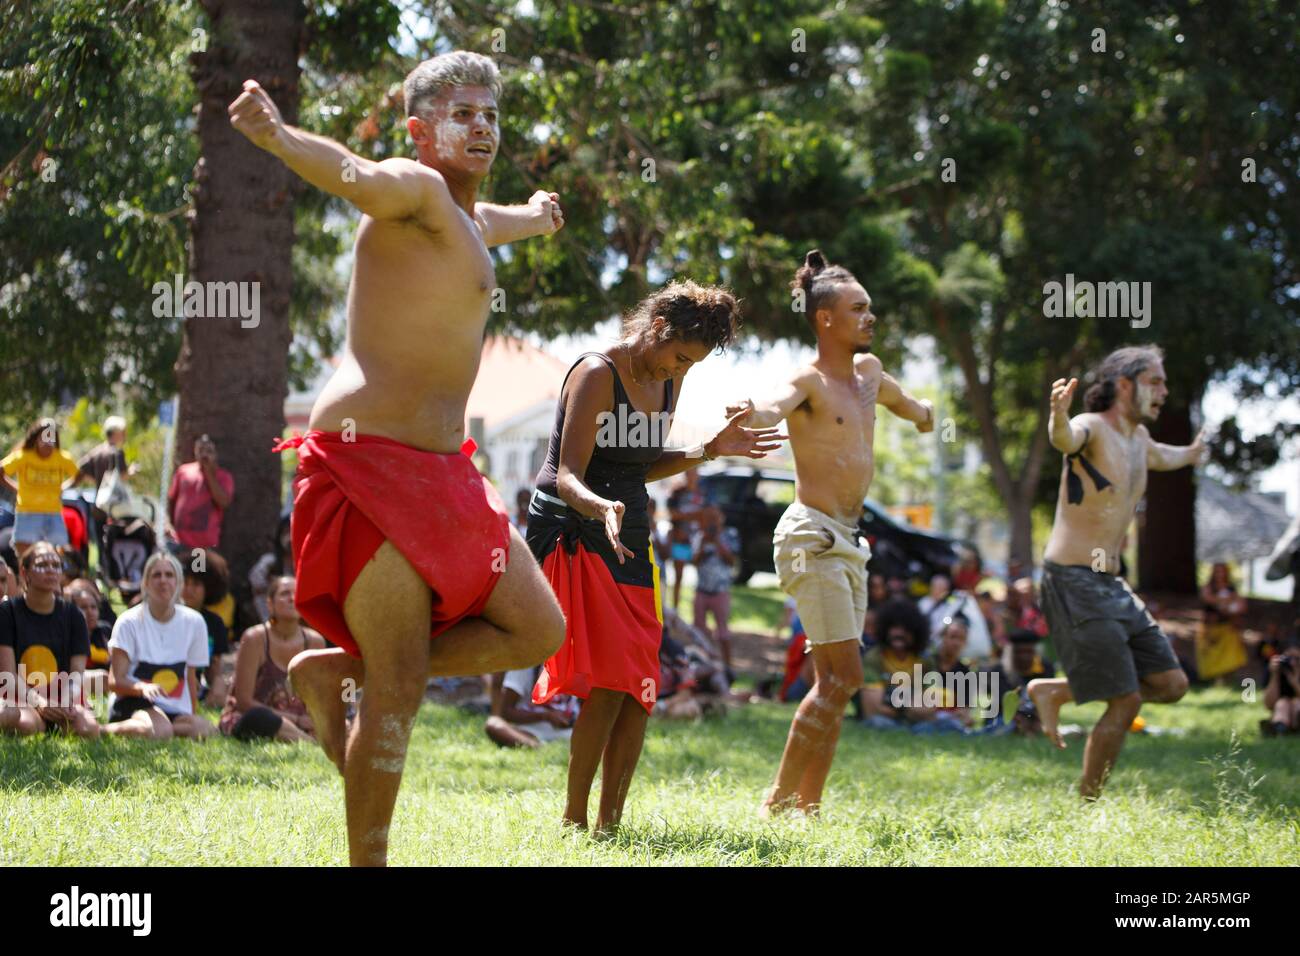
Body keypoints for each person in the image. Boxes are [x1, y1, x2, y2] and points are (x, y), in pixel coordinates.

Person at [230, 50, 569, 865]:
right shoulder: (412, 190)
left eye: (491, 114)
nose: (481, 125)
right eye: (462, 114)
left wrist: (541, 213)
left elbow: (505, 221)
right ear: (421, 131)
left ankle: (335, 670)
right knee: (398, 692)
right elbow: (352, 171)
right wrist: (279, 138)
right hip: (370, 461)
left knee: (538, 628)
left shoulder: (468, 221)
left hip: (448, 470)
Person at [526, 281, 780, 833]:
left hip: (629, 523)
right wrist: (602, 508)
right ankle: (575, 821)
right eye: (681, 356)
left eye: (693, 364)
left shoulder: (671, 378)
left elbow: (640, 464)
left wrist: (709, 449)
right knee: (612, 674)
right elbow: (565, 474)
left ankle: (609, 824)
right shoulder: (597, 372)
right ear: (659, 329)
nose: (681, 370)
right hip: (574, 523)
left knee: (640, 681)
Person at [730, 250, 933, 815]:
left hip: (850, 542)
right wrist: (752, 411)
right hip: (810, 535)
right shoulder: (808, 381)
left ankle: (808, 807)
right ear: (825, 319)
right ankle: (776, 802)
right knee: (843, 675)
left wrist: (925, 414)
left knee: (836, 682)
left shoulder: (869, 374)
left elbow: (906, 403)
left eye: (870, 308)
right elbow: (774, 406)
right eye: (858, 309)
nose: (871, 317)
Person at [1028, 346, 1200, 799]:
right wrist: (1058, 415)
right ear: (1125, 385)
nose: (1164, 391)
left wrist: (1196, 450)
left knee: (1172, 684)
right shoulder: (1093, 429)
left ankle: (1058, 692)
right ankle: (1088, 803)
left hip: (1111, 582)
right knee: (1126, 699)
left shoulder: (1138, 440)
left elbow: (1168, 456)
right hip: (1072, 577)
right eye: (1155, 382)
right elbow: (1066, 438)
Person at [104, 551, 215, 739]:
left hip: (174, 707)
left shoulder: (195, 622)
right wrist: (141, 688)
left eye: (169, 575)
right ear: (146, 583)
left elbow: (190, 676)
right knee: (160, 731)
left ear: (179, 583)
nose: (163, 580)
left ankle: (162, 728)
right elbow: (115, 682)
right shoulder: (128, 621)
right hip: (134, 700)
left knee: (206, 730)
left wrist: (192, 713)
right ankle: (102, 731)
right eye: (156, 575)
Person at [0, 543, 99, 737]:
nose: (51, 570)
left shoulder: (73, 616)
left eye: (56, 565)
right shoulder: (7, 613)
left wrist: (66, 700)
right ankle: (41, 724)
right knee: (26, 725)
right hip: (21, 697)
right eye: (42, 564)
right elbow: (8, 676)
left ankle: (53, 724)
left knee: (88, 729)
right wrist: (39, 703)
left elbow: (77, 674)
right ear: (24, 571)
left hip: (60, 698)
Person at [220, 575, 325, 742]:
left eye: (297, 594)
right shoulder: (254, 638)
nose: (292, 598)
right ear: (269, 603)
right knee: (260, 718)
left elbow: (319, 696)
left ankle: (302, 736)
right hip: (256, 718)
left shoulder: (315, 641)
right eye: (284, 594)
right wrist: (294, 719)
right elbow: (244, 702)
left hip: (303, 722)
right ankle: (307, 741)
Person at [1, 419, 80, 558]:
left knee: (58, 555)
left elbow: (78, 475)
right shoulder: (24, 456)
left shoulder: (62, 458)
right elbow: (2, 471)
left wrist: (63, 488)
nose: (47, 443)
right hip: (27, 512)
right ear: (36, 438)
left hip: (53, 513)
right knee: (25, 557)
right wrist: (17, 488)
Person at [859, 598, 929, 728]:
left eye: (905, 629)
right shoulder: (874, 658)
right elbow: (872, 710)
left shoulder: (924, 661)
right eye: (894, 627)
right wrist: (909, 707)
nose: (899, 633)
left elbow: (929, 709)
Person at [167, 435, 235, 553]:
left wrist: (208, 472)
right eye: (200, 450)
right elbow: (171, 499)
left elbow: (223, 502)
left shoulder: (224, 477)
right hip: (179, 542)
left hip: (203, 546)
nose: (204, 454)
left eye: (208, 451)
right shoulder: (183, 471)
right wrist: (168, 524)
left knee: (197, 570)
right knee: (176, 570)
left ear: (215, 453)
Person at [484, 664, 579, 748]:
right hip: (529, 732)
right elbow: (506, 711)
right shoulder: (524, 665)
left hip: (570, 731)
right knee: (493, 724)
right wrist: (546, 716)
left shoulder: (577, 661)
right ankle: (536, 746)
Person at [691, 506, 738, 675]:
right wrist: (704, 544)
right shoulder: (699, 536)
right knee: (699, 631)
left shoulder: (730, 534)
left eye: (714, 518)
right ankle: (703, 666)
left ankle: (728, 667)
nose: (711, 522)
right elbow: (694, 561)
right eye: (708, 518)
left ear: (721, 518)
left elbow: (732, 560)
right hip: (702, 589)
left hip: (721, 590)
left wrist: (718, 540)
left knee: (723, 632)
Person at [181, 554, 232, 707]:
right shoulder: (166, 616)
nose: (188, 589)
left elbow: (214, 666)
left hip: (197, 689)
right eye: (185, 582)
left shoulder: (214, 623)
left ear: (208, 589)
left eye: (196, 584)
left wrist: (217, 685)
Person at [1196, 562, 1249, 682]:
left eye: (1222, 571)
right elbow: (1209, 599)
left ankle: (1227, 680)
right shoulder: (1209, 588)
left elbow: (1241, 606)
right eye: (1218, 571)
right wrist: (1226, 601)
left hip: (1227, 627)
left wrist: (1229, 605)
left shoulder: (1231, 588)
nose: (1220, 574)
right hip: (1210, 628)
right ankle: (1212, 681)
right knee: (1211, 656)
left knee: (1229, 656)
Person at [665, 470, 707, 613]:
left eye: (694, 472)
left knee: (701, 577)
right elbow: (673, 514)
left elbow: (708, 515)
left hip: (699, 541)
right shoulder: (677, 492)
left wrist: (686, 516)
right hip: (680, 540)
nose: (691, 475)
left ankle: (696, 613)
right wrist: (694, 515)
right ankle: (675, 610)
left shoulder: (703, 494)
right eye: (689, 472)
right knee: (678, 576)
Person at [66, 579, 112, 697]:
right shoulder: (67, 633)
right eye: (84, 607)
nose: (90, 612)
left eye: (93, 607)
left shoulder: (104, 631)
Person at [249, 513, 293, 623]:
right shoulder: (270, 562)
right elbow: (256, 583)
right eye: (286, 532)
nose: (290, 537)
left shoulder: (307, 565)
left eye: (293, 531)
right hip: (270, 620)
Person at [1262, 637, 1300, 736]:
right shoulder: (1275, 669)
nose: (1292, 662)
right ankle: (1281, 728)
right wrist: (1275, 676)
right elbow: (1269, 704)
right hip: (1281, 708)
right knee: (1282, 703)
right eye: (1289, 658)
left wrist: (1295, 683)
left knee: (1296, 703)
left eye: (1297, 658)